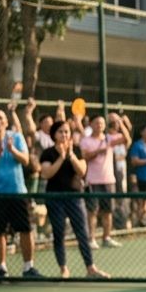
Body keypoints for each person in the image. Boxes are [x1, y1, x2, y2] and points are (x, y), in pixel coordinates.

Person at [0, 85, 39, 277]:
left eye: (0, 118)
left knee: (25, 229)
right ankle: (2, 268)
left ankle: (28, 267)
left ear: (6, 121)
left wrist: (12, 150)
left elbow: (26, 160)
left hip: (17, 192)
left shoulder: (16, 137)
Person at [38, 119, 109, 279]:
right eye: (60, 132)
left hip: (75, 198)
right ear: (54, 135)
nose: (64, 135)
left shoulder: (76, 150)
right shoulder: (48, 153)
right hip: (54, 198)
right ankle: (63, 269)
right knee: (59, 233)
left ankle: (91, 268)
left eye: (67, 131)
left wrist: (70, 156)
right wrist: (61, 158)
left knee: (82, 233)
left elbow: (82, 171)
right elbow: (46, 173)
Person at [79, 114, 127, 249]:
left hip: (108, 180)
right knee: (92, 211)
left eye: (102, 123)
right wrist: (99, 150)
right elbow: (84, 156)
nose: (99, 125)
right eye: (96, 123)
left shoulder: (109, 138)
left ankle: (106, 237)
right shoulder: (86, 140)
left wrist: (120, 122)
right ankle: (91, 239)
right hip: (92, 181)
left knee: (108, 211)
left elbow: (126, 139)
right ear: (91, 125)